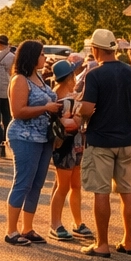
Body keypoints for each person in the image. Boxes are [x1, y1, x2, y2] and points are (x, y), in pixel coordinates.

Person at [77, 29, 131, 258]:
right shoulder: (130, 72)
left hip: (101, 139)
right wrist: (126, 118)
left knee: (101, 192)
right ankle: (129, 241)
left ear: (95, 49)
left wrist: (82, 116)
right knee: (127, 191)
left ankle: (102, 244)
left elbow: (87, 108)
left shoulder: (95, 75)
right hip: (126, 139)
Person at [3, 40, 63, 245]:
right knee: (23, 182)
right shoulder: (19, 80)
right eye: (41, 54)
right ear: (31, 56)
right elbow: (17, 111)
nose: (44, 58)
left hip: (44, 136)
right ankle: (11, 230)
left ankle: (27, 228)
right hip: (25, 136)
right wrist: (46, 108)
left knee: (36, 184)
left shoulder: (38, 78)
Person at [47, 59, 90, 241]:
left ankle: (77, 222)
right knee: (63, 185)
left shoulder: (61, 96)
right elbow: (70, 124)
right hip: (66, 146)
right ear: (70, 77)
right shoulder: (61, 100)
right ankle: (55, 224)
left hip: (75, 145)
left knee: (75, 185)